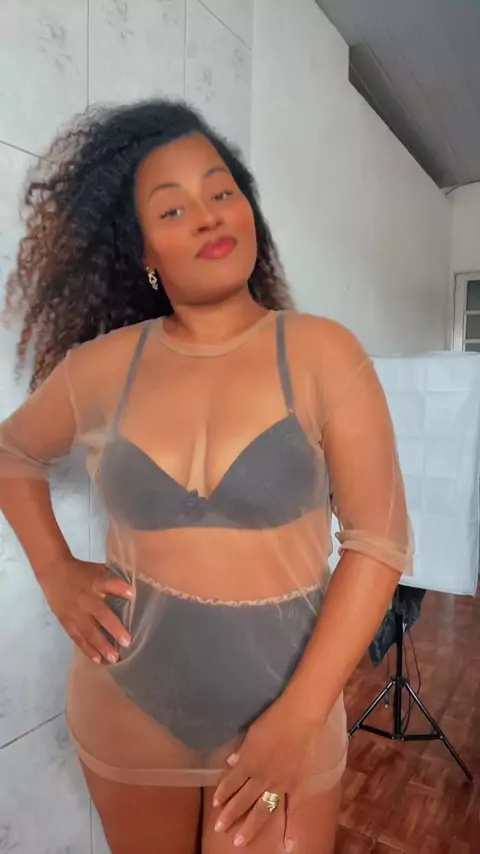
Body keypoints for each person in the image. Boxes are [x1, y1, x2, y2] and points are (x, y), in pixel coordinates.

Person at [0, 99, 411, 854]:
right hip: (125, 708)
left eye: (221, 191)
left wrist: (298, 720)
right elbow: (11, 453)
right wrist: (56, 571)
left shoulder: (324, 354)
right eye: (173, 208)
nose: (208, 216)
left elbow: (378, 545)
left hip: (287, 711)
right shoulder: (100, 369)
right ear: (143, 252)